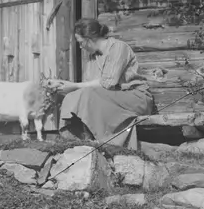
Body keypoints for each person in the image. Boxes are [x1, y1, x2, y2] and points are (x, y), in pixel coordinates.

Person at [45, 18, 156, 150]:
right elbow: (91, 86)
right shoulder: (93, 58)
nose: (80, 47)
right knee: (71, 97)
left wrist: (73, 85)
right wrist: (62, 85)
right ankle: (75, 141)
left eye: (81, 42)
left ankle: (105, 142)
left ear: (89, 38)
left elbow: (108, 83)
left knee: (87, 95)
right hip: (113, 98)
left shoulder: (118, 48)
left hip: (136, 98)